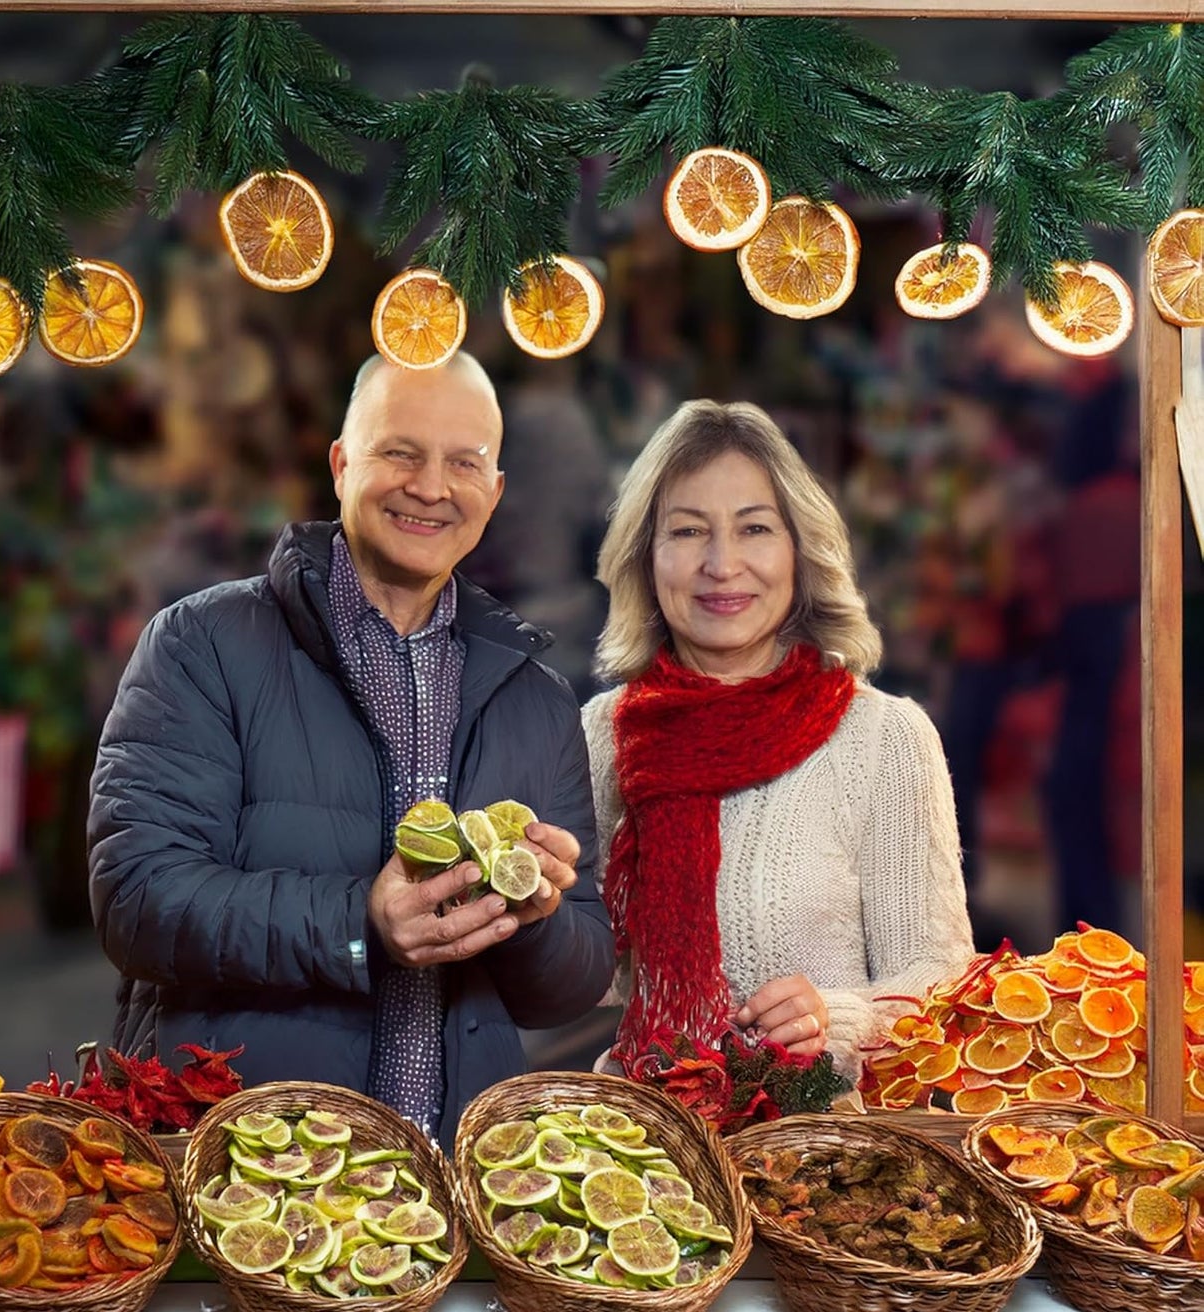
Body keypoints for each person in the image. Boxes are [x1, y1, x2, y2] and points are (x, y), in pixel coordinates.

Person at [88, 350, 613, 1145]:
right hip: (249, 1159)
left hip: (453, 1169)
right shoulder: (203, 644)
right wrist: (357, 921)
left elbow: (570, 984)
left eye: (463, 463)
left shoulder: (533, 697)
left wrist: (533, 915)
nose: (431, 487)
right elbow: (137, 897)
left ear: (494, 492)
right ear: (340, 464)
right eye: (399, 451)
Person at [583, 399, 974, 1083]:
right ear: (646, 558)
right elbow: (582, 972)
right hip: (649, 1133)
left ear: (799, 549)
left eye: (754, 528)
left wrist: (837, 1015)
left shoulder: (882, 737)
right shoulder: (606, 732)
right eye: (686, 531)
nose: (721, 563)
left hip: (826, 1152)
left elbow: (941, 977)